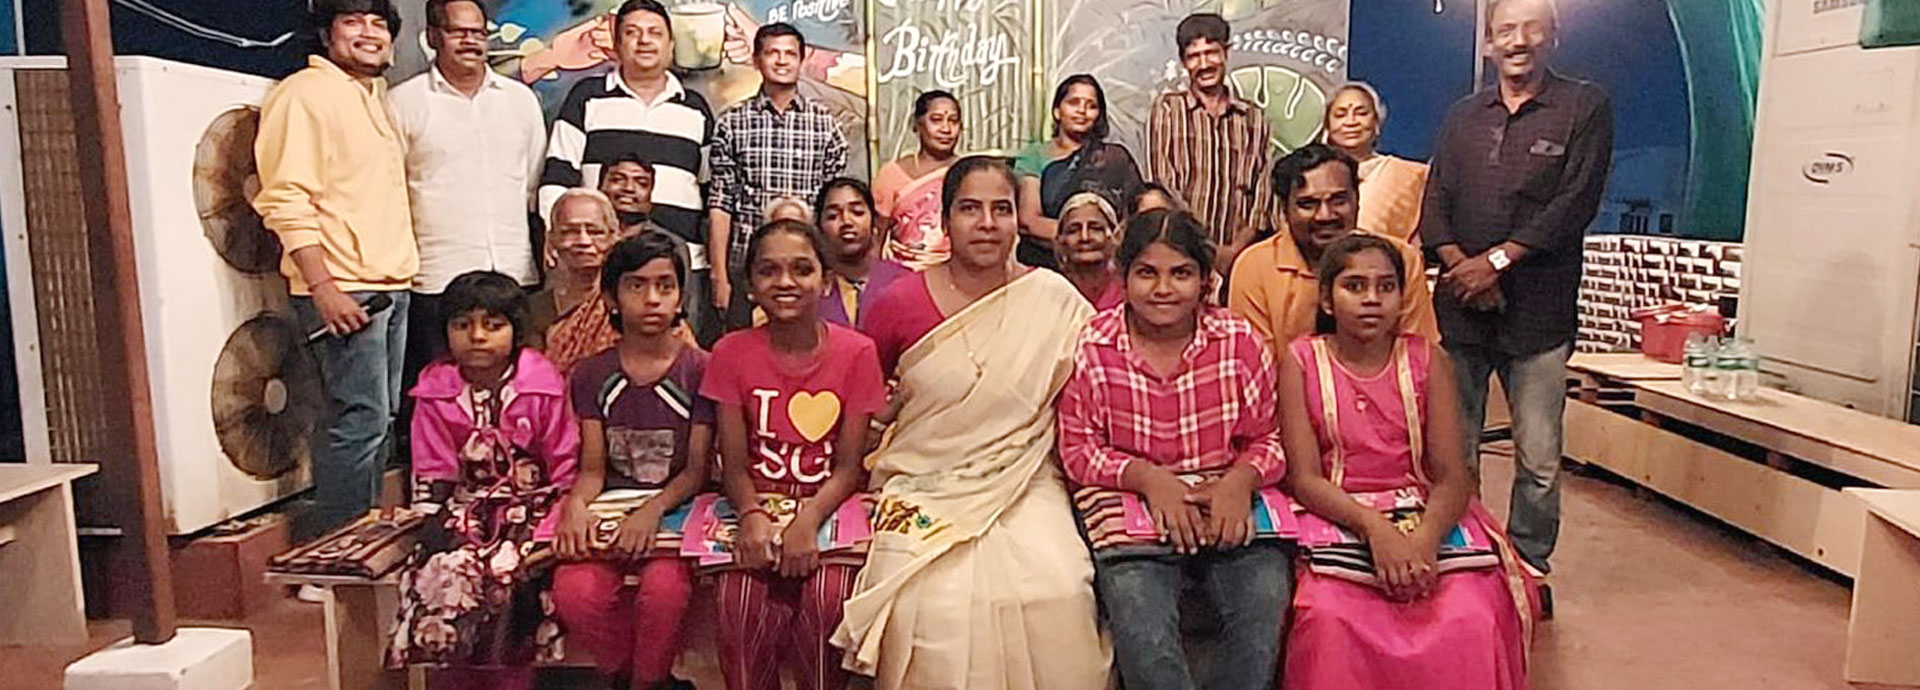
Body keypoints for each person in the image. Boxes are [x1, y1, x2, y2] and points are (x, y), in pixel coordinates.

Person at [836, 156, 1111, 689]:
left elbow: (1099, 388)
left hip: (1026, 479)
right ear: (945, 221)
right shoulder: (898, 302)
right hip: (923, 478)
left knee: (1059, 587)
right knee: (932, 605)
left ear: (1017, 221)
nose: (987, 223)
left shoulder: (1054, 298)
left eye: (1001, 210)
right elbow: (868, 401)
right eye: (969, 209)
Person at [1276, 235, 1534, 690]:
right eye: (1355, 286)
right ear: (1328, 300)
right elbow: (1305, 479)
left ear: (1402, 296)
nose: (1372, 299)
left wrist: (1423, 542)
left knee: (1472, 612)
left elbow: (1453, 476)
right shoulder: (1301, 361)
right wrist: (1376, 531)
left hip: (1425, 513)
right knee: (1327, 615)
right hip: (1335, 512)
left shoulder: (1428, 359)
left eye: (1386, 286)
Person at [1057, 209, 1290, 690]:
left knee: (1263, 606)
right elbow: (1078, 450)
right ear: (1122, 276)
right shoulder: (1094, 346)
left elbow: (1270, 438)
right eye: (1147, 273)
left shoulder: (1237, 341)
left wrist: (1239, 481)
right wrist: (1148, 479)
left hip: (1225, 499)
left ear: (1206, 280)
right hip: (1131, 510)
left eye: (1181, 273)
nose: (1163, 289)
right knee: (1145, 632)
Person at [1420, 0, 1614, 576]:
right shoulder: (1463, 116)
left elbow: (1574, 204)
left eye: (1532, 28)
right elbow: (1436, 200)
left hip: (1539, 319)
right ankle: (1468, 554)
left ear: (1554, 38)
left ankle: (1528, 565)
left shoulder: (1584, 107)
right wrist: (1463, 268)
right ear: (1489, 43)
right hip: (1461, 309)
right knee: (1455, 450)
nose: (1518, 40)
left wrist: (1498, 262)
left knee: (1539, 456)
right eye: (1506, 30)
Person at [254, 0, 416, 538]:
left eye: (378, 23)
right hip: (344, 286)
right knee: (358, 420)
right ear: (326, 33)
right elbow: (285, 198)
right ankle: (332, 551)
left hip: (390, 282)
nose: (369, 33)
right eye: (353, 21)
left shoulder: (373, 98)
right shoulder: (303, 95)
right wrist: (322, 285)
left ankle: (362, 541)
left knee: (377, 421)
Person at [702, 220, 887, 690]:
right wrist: (751, 514)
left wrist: (807, 520)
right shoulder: (729, 352)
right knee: (737, 601)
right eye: (769, 271)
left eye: (802, 269)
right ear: (750, 286)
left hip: (828, 504)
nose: (785, 282)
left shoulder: (857, 352)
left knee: (828, 600)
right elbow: (733, 464)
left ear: (825, 281)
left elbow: (848, 468)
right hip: (753, 504)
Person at [386, 271, 577, 690]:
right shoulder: (434, 391)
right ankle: (454, 679)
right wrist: (430, 529)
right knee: (444, 569)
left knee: (511, 572)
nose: (477, 336)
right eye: (462, 325)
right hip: (462, 509)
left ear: (516, 330)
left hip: (535, 508)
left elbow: (564, 464)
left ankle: (512, 681)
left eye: (493, 325)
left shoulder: (542, 386)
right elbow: (432, 474)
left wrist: (556, 520)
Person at [550, 235, 710, 690]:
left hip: (677, 510)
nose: (652, 299)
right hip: (611, 509)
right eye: (636, 286)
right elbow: (593, 470)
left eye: (665, 285)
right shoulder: (591, 374)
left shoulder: (700, 369)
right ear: (611, 297)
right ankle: (633, 675)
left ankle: (648, 681)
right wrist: (575, 506)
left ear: (681, 295)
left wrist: (652, 510)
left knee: (664, 591)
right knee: (574, 592)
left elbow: (697, 471)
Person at [389, 0, 547, 448]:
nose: (470, 41)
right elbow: (390, 189)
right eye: (458, 32)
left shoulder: (519, 101)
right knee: (439, 402)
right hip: (437, 276)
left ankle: (512, 482)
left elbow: (532, 184)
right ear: (432, 36)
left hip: (511, 272)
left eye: (478, 32)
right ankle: (436, 484)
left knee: (516, 399)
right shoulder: (403, 103)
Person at [540, 0, 717, 347]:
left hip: (682, 265)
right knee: (589, 353)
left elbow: (711, 188)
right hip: (600, 266)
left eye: (655, 33)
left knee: (678, 359)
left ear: (670, 44)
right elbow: (558, 174)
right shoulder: (587, 97)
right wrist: (553, 232)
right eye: (633, 33)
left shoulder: (695, 108)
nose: (644, 41)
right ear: (617, 43)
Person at [1230, 144, 1437, 357]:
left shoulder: (1400, 260)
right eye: (1308, 204)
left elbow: (1421, 359)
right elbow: (1257, 367)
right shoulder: (1255, 267)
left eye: (1338, 201)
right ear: (1284, 209)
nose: (1325, 215)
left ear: (1357, 200)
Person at [709, 22, 851, 327]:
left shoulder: (825, 125)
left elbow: (832, 207)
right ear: (756, 60)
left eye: (790, 54)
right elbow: (721, 203)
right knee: (746, 348)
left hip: (806, 266)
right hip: (747, 267)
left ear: (802, 59)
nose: (782, 61)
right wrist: (719, 273)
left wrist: (832, 268)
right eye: (772, 53)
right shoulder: (732, 123)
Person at [1147, 13, 1274, 276]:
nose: (1204, 64)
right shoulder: (1168, 109)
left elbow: (1264, 191)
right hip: (1181, 250)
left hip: (1240, 256)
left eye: (1211, 53)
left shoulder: (1254, 118)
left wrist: (1235, 250)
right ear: (1184, 62)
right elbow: (1162, 182)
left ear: (1226, 53)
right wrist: (1204, 246)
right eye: (1194, 56)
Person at [1016, 75, 1144, 271]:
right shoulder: (1035, 155)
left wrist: (1105, 241)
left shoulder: (1115, 158)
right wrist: (1080, 237)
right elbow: (1028, 221)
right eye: (1074, 102)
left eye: (1091, 106)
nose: (1082, 111)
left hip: (1108, 264)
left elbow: (1139, 214)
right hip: (1049, 264)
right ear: (1057, 111)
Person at [599, 154, 710, 342]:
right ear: (600, 187)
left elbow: (684, 311)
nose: (629, 188)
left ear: (650, 196)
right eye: (618, 180)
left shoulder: (670, 245)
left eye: (641, 183)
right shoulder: (583, 239)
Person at [1324, 82, 1429, 245]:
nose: (1351, 122)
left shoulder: (1409, 175)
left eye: (1361, 113)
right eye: (1340, 115)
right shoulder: (1312, 174)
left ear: (1376, 122)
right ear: (1327, 126)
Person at [872, 90, 961, 270]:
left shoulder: (968, 173)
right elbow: (877, 237)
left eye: (953, 121)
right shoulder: (891, 174)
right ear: (917, 125)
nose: (946, 129)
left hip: (957, 274)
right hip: (902, 274)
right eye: (936, 120)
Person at [538, 189, 624, 375]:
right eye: (569, 231)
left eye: (595, 232)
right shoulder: (531, 310)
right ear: (552, 239)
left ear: (614, 237)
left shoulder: (627, 307)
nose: (583, 241)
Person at [818, 178, 910, 327]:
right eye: (833, 216)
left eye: (857, 212)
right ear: (820, 229)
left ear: (875, 222)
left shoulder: (904, 282)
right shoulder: (812, 289)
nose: (846, 222)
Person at [1055, 192, 1125, 311]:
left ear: (1115, 236)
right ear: (1060, 241)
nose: (1085, 237)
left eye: (1095, 228)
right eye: (1073, 230)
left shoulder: (1128, 292)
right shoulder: (1053, 291)